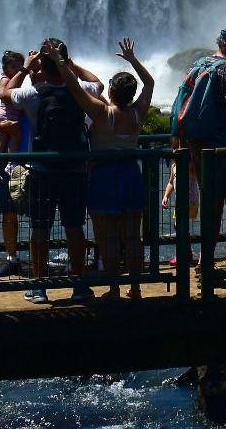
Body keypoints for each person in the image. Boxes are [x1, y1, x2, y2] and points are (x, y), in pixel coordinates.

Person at [50, 39, 153, 300]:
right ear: (130, 94)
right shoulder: (138, 113)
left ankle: (114, 288)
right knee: (132, 236)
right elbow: (150, 83)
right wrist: (133, 61)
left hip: (104, 175)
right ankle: (136, 288)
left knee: (106, 236)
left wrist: (62, 64)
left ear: (112, 91)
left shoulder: (100, 112)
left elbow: (74, 89)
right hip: (131, 174)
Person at [2, 39, 102, 302]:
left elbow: (5, 95)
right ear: (64, 62)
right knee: (75, 227)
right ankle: (79, 284)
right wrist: (69, 63)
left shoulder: (33, 94)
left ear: (41, 68)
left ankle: (39, 286)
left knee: (39, 228)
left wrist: (25, 68)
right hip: (75, 168)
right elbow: (99, 84)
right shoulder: (79, 88)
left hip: (42, 170)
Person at [169, 25, 226, 265]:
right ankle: (205, 265)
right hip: (217, 145)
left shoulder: (199, 64)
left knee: (211, 199)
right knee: (216, 202)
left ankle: (205, 260)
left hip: (192, 140)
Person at [0, 50, 31, 277]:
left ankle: (39, 261)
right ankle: (11, 257)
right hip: (14, 157)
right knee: (8, 212)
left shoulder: (29, 90)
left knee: (39, 214)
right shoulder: (10, 87)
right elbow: (2, 103)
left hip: (32, 158)